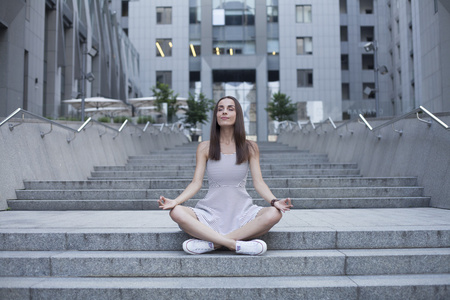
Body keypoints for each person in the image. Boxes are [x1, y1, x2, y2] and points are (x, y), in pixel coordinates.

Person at [158, 96, 293, 255]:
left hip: (242, 213)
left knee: (273, 214)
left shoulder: (250, 147)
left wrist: (274, 201)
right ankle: (235, 244)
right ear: (216, 115)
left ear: (238, 115)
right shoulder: (204, 147)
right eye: (220, 109)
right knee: (176, 212)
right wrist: (175, 201)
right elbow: (196, 183)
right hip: (210, 213)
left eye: (230, 108)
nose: (224, 112)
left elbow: (259, 183)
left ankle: (213, 244)